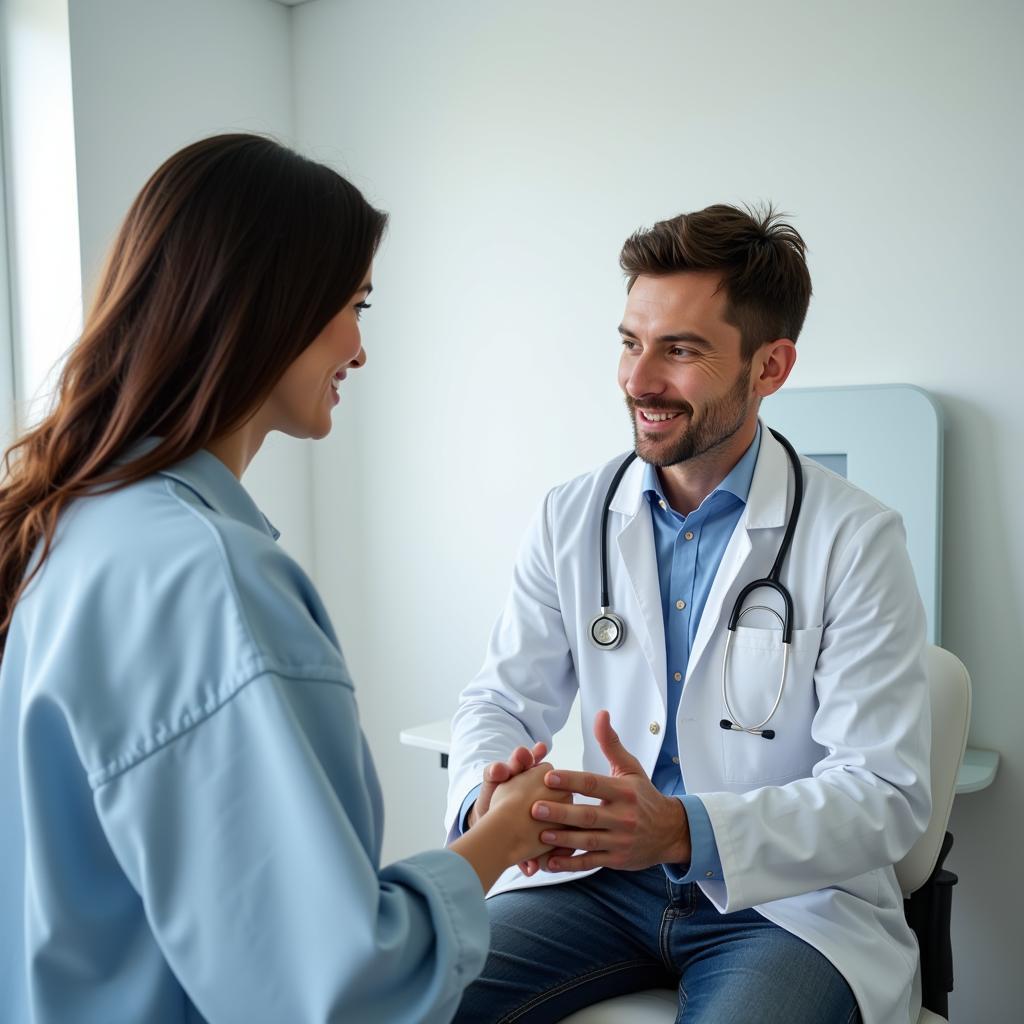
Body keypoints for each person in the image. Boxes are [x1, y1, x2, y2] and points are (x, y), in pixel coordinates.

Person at [0, 133, 568, 1023]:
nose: (360, 348)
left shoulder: (70, 528)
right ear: (264, 306)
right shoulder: (210, 582)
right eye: (355, 304)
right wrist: (502, 836)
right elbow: (339, 992)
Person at [446, 204, 932, 1024]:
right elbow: (498, 700)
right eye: (632, 342)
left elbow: (884, 791)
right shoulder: (572, 517)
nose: (638, 380)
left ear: (770, 367)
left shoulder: (856, 538)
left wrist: (682, 831)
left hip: (786, 911)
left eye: (680, 350)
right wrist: (486, 801)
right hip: (597, 891)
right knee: (409, 997)